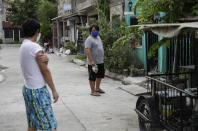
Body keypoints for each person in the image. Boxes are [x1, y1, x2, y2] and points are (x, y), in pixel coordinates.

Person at [19, 18, 59, 131]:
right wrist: (54, 90)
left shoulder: (23, 46)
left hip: (28, 89)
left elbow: (36, 66)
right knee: (50, 127)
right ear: (37, 31)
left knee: (32, 124)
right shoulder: (35, 47)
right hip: (38, 92)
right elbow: (45, 70)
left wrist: (46, 61)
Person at [85, 24, 105, 96]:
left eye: (96, 30)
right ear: (90, 31)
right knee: (92, 76)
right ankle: (93, 91)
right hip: (93, 62)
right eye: (93, 30)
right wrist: (91, 61)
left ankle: (97, 88)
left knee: (99, 75)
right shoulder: (89, 39)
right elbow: (87, 50)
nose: (95, 31)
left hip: (100, 61)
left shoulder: (98, 38)